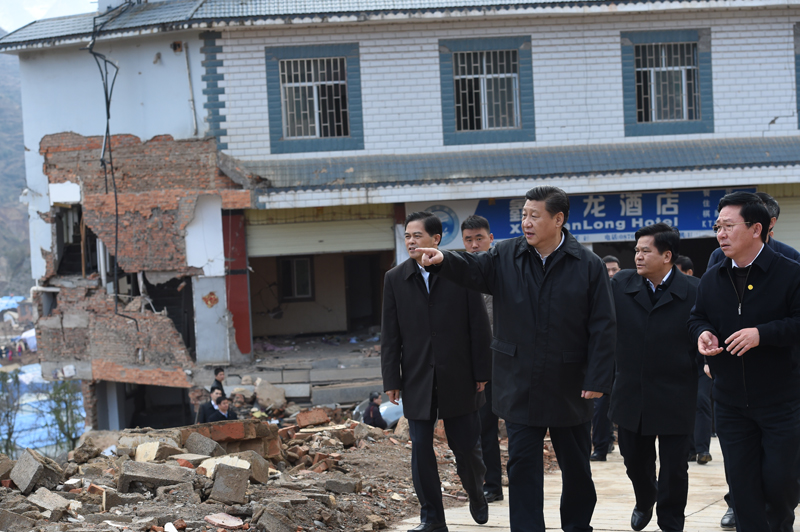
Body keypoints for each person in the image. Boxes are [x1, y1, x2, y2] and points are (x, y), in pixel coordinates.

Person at [418, 186, 616, 532]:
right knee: (522, 466)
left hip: (569, 382)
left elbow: (604, 325)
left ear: (558, 219)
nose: (526, 222)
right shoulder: (506, 255)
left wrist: (598, 379)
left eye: (534, 215)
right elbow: (473, 267)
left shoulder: (588, 265)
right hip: (518, 380)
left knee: (577, 469)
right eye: (523, 215)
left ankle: (577, 526)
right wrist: (444, 259)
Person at [688, 191, 800, 532]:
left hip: (781, 400)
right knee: (742, 485)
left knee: (780, 481)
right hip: (731, 400)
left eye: (728, 226)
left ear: (757, 229)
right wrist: (702, 334)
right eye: (717, 226)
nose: (720, 233)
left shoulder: (790, 273)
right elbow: (698, 317)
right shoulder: (712, 277)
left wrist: (761, 334)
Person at [382, 211, 492, 532]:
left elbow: (479, 327)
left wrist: (481, 371)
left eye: (417, 236)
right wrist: (392, 379)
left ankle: (476, 492)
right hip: (417, 378)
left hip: (459, 375)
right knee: (420, 449)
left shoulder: (459, 272)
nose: (411, 241)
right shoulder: (395, 279)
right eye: (407, 236)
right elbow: (390, 335)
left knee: (466, 449)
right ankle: (432, 518)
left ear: (436, 239)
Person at [608, 223, 699, 532]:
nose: (638, 257)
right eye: (636, 251)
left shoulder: (694, 291)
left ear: (667, 256)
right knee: (634, 460)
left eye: (646, 251)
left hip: (676, 391)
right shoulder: (620, 285)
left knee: (675, 468)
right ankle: (646, 497)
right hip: (632, 391)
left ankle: (671, 521)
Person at [461, 215, 503, 503]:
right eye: (468, 240)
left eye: (479, 238)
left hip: (510, 362)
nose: (474, 245)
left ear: (490, 239)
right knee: (483, 427)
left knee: (516, 426)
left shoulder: (505, 271)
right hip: (479, 366)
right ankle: (490, 485)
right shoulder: (458, 275)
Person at [590, 255, 621, 462]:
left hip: (625, 354)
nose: (610, 274)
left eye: (614, 270)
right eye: (607, 270)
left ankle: (610, 440)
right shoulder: (595, 292)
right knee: (600, 402)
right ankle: (600, 447)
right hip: (603, 355)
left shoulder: (627, 290)